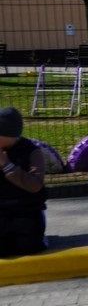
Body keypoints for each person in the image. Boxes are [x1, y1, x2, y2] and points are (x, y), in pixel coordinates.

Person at [0, 106, 47, 257]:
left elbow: (34, 186)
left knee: (31, 247)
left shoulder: (31, 152)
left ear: (10, 135)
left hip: (25, 209)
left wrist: (7, 165)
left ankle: (40, 236)